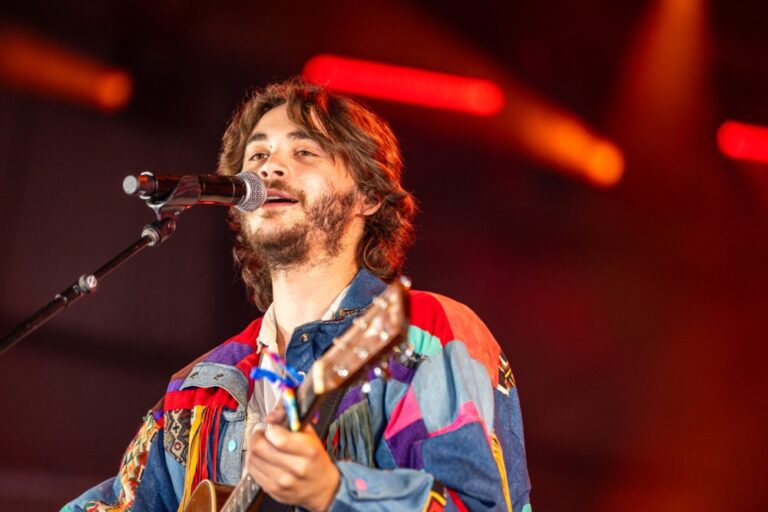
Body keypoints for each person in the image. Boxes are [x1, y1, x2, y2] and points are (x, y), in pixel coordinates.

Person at [63, 78, 532, 512]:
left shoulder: (425, 330)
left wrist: (333, 492)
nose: (271, 167)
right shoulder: (199, 388)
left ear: (367, 197)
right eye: (257, 156)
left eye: (305, 152)